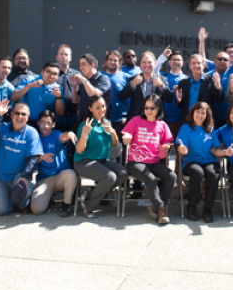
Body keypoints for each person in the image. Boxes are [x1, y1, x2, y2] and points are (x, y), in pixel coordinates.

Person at [121, 94, 176, 224]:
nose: (149, 111)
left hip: (154, 161)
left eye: (152, 108)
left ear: (158, 109)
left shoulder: (162, 125)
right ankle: (161, 209)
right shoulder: (135, 120)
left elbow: (168, 143)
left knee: (172, 176)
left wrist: (166, 146)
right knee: (150, 179)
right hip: (136, 162)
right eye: (146, 108)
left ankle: (156, 206)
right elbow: (125, 138)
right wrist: (126, 138)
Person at [73, 95, 127, 218]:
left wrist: (113, 132)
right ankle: (88, 206)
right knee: (110, 177)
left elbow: (114, 144)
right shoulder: (86, 125)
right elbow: (79, 150)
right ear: (90, 109)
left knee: (123, 173)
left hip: (101, 161)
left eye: (103, 106)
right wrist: (85, 134)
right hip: (84, 162)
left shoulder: (106, 122)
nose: (102, 109)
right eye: (97, 107)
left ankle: (91, 193)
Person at [0, 101, 43, 215]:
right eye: (17, 113)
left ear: (28, 117)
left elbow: (33, 158)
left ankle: (23, 203)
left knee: (25, 187)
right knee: (1, 211)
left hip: (19, 175)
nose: (20, 116)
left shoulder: (31, 133)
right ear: (11, 115)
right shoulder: (3, 127)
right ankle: (9, 200)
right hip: (0, 176)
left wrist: (25, 176)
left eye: (23, 114)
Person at [176, 102, 222, 223]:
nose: (200, 115)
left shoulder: (210, 129)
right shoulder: (185, 128)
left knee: (213, 173)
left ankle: (208, 208)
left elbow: (214, 150)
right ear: (192, 113)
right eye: (198, 111)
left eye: (203, 112)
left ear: (207, 115)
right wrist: (182, 149)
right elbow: (183, 148)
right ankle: (191, 206)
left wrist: (225, 152)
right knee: (197, 172)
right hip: (191, 161)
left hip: (209, 160)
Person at [31, 110, 78, 217]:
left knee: (71, 174)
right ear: (38, 123)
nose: (45, 126)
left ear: (53, 125)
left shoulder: (56, 134)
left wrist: (69, 134)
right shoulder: (34, 138)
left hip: (60, 176)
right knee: (36, 209)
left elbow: (63, 137)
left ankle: (66, 205)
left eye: (48, 123)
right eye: (42, 122)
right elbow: (30, 159)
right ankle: (49, 198)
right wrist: (40, 158)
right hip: (44, 179)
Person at [200, 21, 233, 127]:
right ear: (214, 61)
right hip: (212, 116)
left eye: (225, 60)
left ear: (229, 61)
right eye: (219, 59)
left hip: (230, 117)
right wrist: (202, 42)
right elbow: (202, 59)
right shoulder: (209, 74)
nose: (222, 61)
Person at [120, 51, 174, 124]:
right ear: (140, 64)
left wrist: (161, 86)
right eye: (144, 62)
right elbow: (122, 96)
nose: (147, 65)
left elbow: (169, 99)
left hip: (156, 121)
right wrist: (132, 84)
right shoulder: (133, 79)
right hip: (136, 121)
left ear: (155, 64)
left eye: (149, 62)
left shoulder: (162, 79)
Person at [71, 54, 113, 124]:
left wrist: (84, 80)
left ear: (92, 65)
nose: (80, 68)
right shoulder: (84, 81)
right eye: (80, 65)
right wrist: (74, 85)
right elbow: (75, 101)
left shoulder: (103, 78)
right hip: (84, 122)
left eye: (83, 64)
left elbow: (94, 95)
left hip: (100, 123)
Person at [103, 50, 130, 135]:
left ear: (120, 63)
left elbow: (133, 99)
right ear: (106, 61)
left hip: (121, 121)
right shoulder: (99, 76)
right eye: (110, 60)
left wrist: (127, 117)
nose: (112, 62)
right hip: (103, 120)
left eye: (115, 60)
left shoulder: (126, 77)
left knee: (122, 147)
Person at [55, 44, 81, 132]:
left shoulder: (77, 74)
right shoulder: (52, 75)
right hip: (55, 117)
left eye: (66, 54)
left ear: (70, 57)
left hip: (73, 117)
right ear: (56, 57)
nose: (63, 57)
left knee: (72, 143)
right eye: (61, 54)